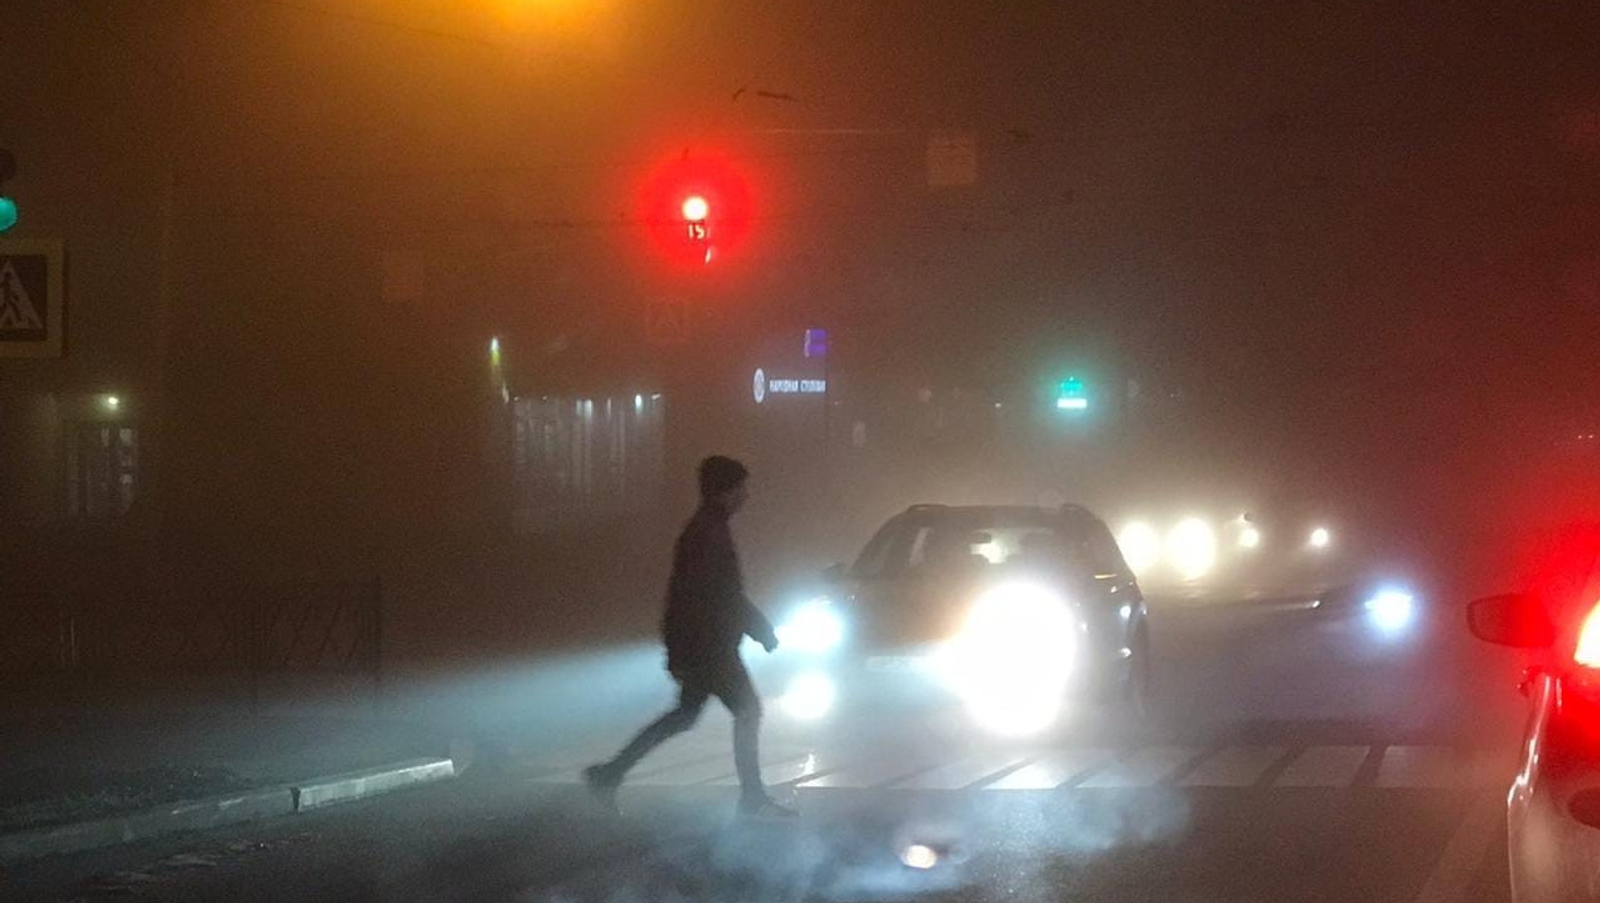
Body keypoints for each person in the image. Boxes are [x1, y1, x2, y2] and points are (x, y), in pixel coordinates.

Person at [584, 456, 796, 817]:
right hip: (711, 647)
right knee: (748, 711)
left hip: (702, 645)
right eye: (741, 488)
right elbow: (720, 595)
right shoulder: (708, 534)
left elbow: (687, 595)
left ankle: (610, 773)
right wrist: (761, 630)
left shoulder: (705, 529)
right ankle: (752, 797)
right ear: (726, 491)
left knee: (685, 715)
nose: (746, 495)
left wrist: (677, 648)